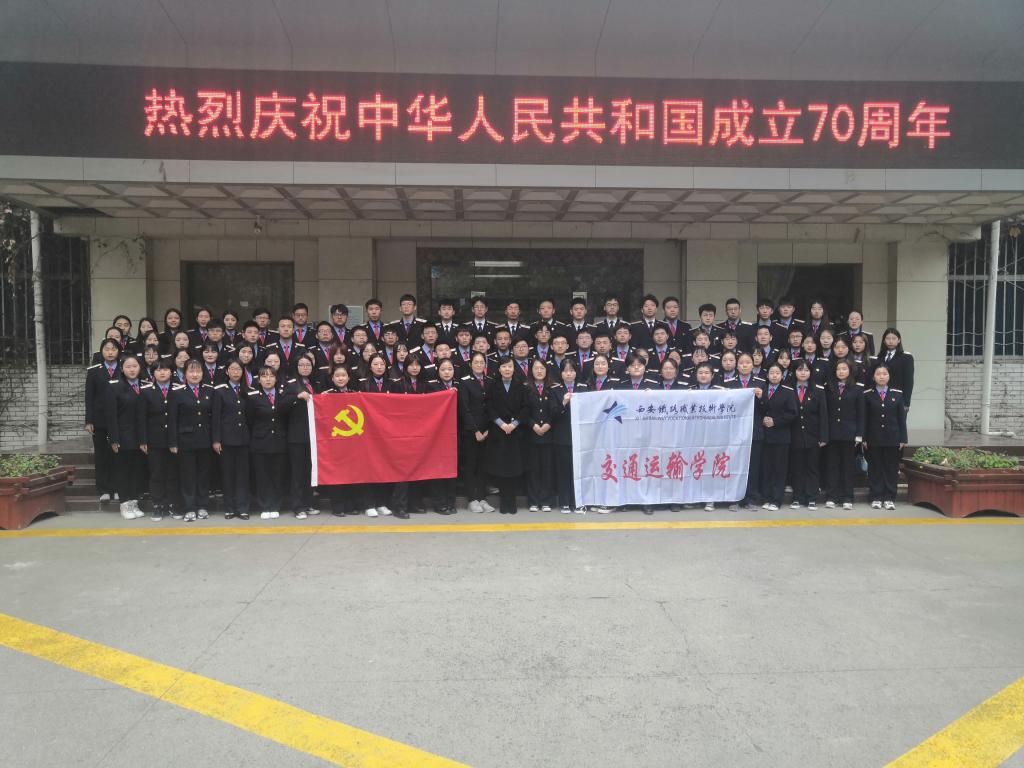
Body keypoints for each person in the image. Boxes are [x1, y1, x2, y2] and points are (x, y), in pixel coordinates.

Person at [168, 359, 214, 522]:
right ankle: (189, 507)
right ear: (185, 374)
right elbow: (172, 419)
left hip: (205, 439)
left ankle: (202, 506)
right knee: (188, 475)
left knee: (203, 475)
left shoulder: (209, 391)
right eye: (191, 371)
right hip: (185, 441)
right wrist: (172, 442)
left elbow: (213, 417)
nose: (195, 374)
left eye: (198, 371)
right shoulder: (177, 392)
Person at [861, 365, 908, 510]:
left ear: (889, 376)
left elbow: (901, 418)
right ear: (873, 377)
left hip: (892, 437)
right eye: (878, 374)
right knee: (875, 468)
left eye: (884, 373)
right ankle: (876, 496)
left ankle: (889, 497)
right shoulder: (867, 394)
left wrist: (903, 438)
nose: (881, 376)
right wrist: (863, 438)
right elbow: (864, 418)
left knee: (891, 468)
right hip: (873, 437)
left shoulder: (897, 394)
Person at [105, 355, 147, 520]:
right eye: (128, 366)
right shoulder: (115, 387)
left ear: (140, 368)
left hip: (141, 437)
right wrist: (114, 439)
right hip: (123, 436)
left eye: (135, 366)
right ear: (122, 369)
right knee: (123, 471)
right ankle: (124, 503)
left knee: (137, 471)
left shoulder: (145, 385)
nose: (132, 369)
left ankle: (134, 503)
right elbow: (111, 416)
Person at [485, 358, 527, 514]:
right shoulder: (492, 386)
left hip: (516, 432)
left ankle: (512, 500)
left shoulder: (521, 386)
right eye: (504, 366)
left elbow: (526, 408)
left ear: (514, 368)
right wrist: (501, 424)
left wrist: (514, 424)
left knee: (514, 468)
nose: (507, 369)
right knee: (501, 469)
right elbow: (489, 407)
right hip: (499, 432)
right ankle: (504, 500)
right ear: (499, 369)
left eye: (510, 366)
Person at [724, 353, 766, 510]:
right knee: (734, 465)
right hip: (734, 431)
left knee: (752, 466)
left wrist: (762, 398)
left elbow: (768, 407)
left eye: (748, 362)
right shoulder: (729, 384)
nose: (744, 365)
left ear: (752, 365)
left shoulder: (761, 383)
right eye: (741, 362)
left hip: (754, 430)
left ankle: (749, 498)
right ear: (737, 365)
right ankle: (733, 498)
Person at [138, 361, 179, 520]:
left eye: (165, 369)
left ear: (171, 372)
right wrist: (143, 440)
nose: (162, 373)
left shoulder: (178, 389)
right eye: (158, 370)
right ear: (152, 373)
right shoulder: (146, 391)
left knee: (173, 473)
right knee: (157, 473)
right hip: (154, 439)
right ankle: (158, 505)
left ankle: (173, 504)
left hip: (174, 439)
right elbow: (142, 418)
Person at [211, 359, 252, 520]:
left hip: (243, 439)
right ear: (227, 371)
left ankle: (242, 508)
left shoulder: (247, 390)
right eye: (232, 369)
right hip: (226, 440)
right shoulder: (220, 391)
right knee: (227, 475)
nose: (236, 372)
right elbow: (215, 417)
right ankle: (229, 508)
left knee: (243, 475)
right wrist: (216, 440)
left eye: (239, 369)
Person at [246, 365, 288, 519]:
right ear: (259, 380)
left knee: (278, 475)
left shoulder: (282, 395)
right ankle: (264, 505)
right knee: (262, 476)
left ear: (276, 379)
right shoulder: (253, 397)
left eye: (271, 376)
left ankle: (275, 505)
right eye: (264, 376)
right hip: (260, 442)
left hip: (279, 442)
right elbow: (249, 420)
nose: (268, 379)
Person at [824, 360, 864, 510]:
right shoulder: (829, 387)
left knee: (847, 466)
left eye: (844, 369)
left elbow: (861, 413)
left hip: (849, 433)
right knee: (832, 466)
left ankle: (847, 497)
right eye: (838, 369)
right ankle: (832, 496)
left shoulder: (857, 388)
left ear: (850, 371)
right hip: (832, 433)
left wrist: (859, 434)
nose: (841, 371)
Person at [283, 355, 320, 518]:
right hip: (297, 435)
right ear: (296, 367)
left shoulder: (315, 383)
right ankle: (298, 506)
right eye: (301, 365)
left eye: (308, 365)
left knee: (309, 472)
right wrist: (296, 397)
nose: (305, 367)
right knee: (297, 472)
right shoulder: (290, 384)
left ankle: (309, 503)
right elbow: (281, 405)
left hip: (314, 436)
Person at [85, 338, 121, 503]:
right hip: (100, 419)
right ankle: (104, 489)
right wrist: (89, 420)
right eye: (107, 349)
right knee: (101, 455)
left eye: (113, 349)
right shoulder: (94, 371)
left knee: (118, 455)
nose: (110, 352)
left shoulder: (124, 368)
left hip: (120, 419)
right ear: (101, 352)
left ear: (118, 351)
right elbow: (89, 397)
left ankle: (117, 488)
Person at [789, 360, 829, 510]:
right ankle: (797, 497)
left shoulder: (818, 390)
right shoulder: (789, 389)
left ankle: (812, 497)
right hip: (794, 435)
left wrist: (823, 437)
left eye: (806, 370)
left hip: (813, 435)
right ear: (795, 372)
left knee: (812, 467)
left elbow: (823, 415)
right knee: (797, 468)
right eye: (800, 370)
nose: (803, 373)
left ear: (810, 373)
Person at [551, 359, 588, 513]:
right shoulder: (555, 389)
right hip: (562, 436)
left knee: (579, 470)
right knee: (564, 470)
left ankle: (577, 502)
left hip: (580, 436)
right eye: (565, 371)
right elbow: (552, 414)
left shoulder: (584, 388)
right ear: (561, 373)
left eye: (572, 371)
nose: (569, 374)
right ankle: (565, 502)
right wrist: (564, 403)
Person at [459, 352, 494, 514]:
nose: (479, 365)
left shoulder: (490, 381)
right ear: (471, 364)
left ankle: (482, 498)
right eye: (476, 362)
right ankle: (472, 499)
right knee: (470, 465)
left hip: (487, 430)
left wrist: (487, 429)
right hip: (471, 432)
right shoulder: (465, 382)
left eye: (482, 362)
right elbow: (464, 409)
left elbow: (492, 407)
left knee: (483, 465)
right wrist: (475, 431)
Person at [759, 363, 798, 511]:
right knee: (766, 469)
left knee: (779, 470)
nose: (774, 375)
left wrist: (776, 421)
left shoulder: (788, 392)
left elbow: (792, 413)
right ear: (767, 375)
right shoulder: (762, 390)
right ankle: (766, 497)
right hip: (764, 436)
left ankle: (776, 500)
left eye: (777, 373)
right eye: (771, 372)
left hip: (781, 436)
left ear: (782, 376)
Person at [524, 358, 557, 512]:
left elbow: (556, 409)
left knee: (547, 469)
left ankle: (546, 501)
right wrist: (533, 425)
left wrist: (548, 424)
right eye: (536, 368)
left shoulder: (553, 387)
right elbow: (523, 410)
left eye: (542, 368)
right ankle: (533, 500)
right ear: (531, 370)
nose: (539, 371)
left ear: (546, 370)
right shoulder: (526, 388)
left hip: (549, 434)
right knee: (533, 469)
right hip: (531, 434)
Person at [428, 358, 460, 515]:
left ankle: (450, 501)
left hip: (455, 433)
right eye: (443, 369)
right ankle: (439, 503)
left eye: (450, 369)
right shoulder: (432, 387)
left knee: (452, 469)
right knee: (438, 470)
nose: (447, 372)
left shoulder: (460, 386)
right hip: (437, 435)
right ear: (438, 371)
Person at [875, 327, 914, 411]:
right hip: (881, 399)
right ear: (884, 340)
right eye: (888, 338)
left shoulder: (906, 357)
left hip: (899, 399)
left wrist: (906, 403)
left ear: (899, 340)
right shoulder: (879, 357)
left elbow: (909, 382)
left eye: (894, 338)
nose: (891, 341)